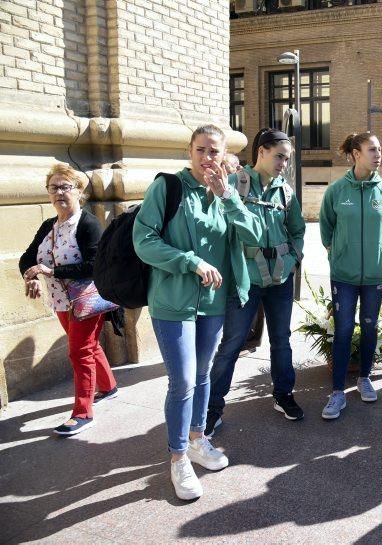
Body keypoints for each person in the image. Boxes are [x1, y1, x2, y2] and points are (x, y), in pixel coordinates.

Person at [133, 125, 262, 500]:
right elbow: (144, 240)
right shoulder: (168, 188)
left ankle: (196, 439)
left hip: (212, 303)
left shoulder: (228, 192)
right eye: (201, 150)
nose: (208, 158)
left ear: (224, 156)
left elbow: (253, 236)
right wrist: (189, 261)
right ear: (190, 152)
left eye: (215, 151)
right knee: (184, 380)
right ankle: (177, 459)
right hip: (173, 300)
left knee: (203, 373)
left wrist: (227, 198)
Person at [205, 129, 306, 436]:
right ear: (261, 151)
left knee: (281, 339)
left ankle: (283, 394)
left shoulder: (286, 192)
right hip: (245, 280)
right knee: (232, 343)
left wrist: (290, 262)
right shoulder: (233, 184)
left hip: (279, 279)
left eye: (286, 159)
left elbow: (298, 233)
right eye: (279, 156)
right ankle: (212, 407)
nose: (283, 164)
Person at [19, 163, 118, 436]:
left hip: (86, 300)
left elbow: (94, 265)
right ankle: (108, 386)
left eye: (66, 187)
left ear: (78, 191)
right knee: (88, 347)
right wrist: (33, 278)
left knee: (79, 351)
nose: (59, 192)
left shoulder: (88, 223)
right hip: (61, 301)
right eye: (54, 188)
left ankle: (83, 413)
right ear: (48, 193)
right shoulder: (48, 226)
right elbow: (27, 259)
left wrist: (52, 271)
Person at [319, 132, 382, 419]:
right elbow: (326, 228)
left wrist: (379, 252)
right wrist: (338, 252)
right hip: (344, 274)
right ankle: (337, 392)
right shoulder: (337, 191)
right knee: (342, 330)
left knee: (369, 326)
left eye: (379, 149)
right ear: (355, 153)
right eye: (372, 150)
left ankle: (364, 378)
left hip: (376, 274)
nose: (378, 155)